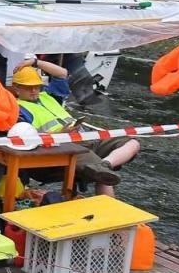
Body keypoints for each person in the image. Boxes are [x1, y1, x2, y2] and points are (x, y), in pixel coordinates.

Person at [9, 65, 131, 196]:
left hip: (83, 137)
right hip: (62, 147)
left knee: (131, 143)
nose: (34, 90)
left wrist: (36, 61)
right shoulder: (17, 109)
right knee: (104, 176)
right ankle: (102, 172)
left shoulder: (49, 96)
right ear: (16, 88)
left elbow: (62, 73)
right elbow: (28, 139)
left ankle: (105, 164)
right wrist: (60, 134)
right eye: (28, 87)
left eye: (37, 86)